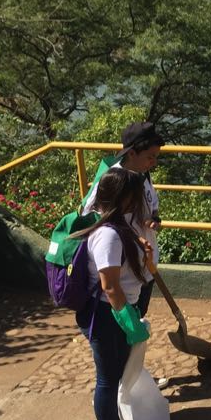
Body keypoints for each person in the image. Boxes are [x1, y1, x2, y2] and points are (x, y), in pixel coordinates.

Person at [75, 167, 156, 420]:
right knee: (108, 379)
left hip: (117, 312)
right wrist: (128, 320)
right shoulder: (107, 235)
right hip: (107, 315)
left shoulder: (118, 227)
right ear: (124, 199)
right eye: (136, 197)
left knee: (119, 373)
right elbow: (110, 286)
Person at [83, 120, 164, 317]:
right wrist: (133, 236)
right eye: (150, 157)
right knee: (123, 334)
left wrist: (153, 220)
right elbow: (96, 222)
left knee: (136, 329)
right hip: (123, 275)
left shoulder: (144, 176)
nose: (154, 162)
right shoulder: (112, 181)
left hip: (144, 267)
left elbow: (151, 208)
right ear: (131, 153)